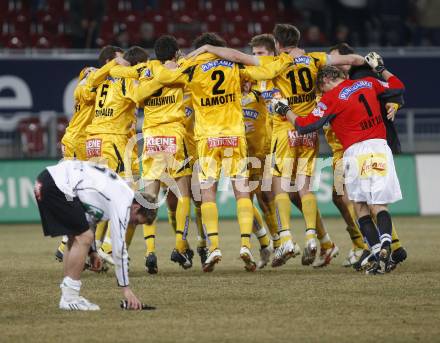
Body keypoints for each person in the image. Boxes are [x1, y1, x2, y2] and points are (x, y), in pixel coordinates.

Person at [187, 24, 365, 268]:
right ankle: (298, 242)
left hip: (277, 139)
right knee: (267, 194)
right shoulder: (271, 72)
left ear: (274, 50)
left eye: (260, 54)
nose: (256, 58)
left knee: (277, 191)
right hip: (272, 142)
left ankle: (294, 241)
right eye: (255, 54)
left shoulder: (270, 71)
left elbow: (238, 61)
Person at [272, 52, 405, 274]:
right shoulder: (369, 82)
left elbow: (305, 126)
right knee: (379, 205)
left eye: (320, 88)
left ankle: (375, 248)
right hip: (380, 148)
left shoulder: (331, 98)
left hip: (353, 153)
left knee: (360, 206)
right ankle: (384, 245)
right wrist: (380, 68)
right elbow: (398, 87)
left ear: (326, 80)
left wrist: (285, 111)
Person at [329, 43, 407, 271]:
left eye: (335, 60)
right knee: (344, 197)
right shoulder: (336, 83)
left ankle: (377, 245)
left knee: (360, 199)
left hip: (364, 145)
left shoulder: (361, 76)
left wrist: (394, 104)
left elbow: (391, 93)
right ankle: (375, 244)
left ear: (347, 60)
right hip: (344, 149)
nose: (332, 64)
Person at [34, 160, 148, 310]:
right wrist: (126, 289)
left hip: (46, 180)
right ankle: (70, 298)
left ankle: (68, 295)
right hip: (57, 185)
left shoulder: (118, 191)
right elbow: (119, 248)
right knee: (84, 237)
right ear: (136, 207)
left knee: (75, 236)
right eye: (137, 221)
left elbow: (88, 219)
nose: (133, 224)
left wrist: (93, 252)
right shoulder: (124, 201)